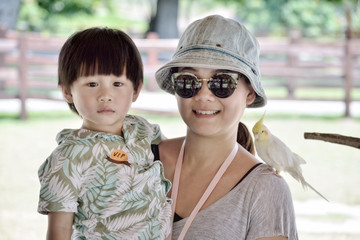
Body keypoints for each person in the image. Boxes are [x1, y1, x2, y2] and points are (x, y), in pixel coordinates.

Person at [154, 15, 298, 240]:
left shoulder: (264, 190)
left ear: (249, 93)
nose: (203, 95)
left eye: (222, 82)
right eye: (188, 80)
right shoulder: (141, 159)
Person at [37, 27, 172, 239]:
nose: (106, 95)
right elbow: (60, 230)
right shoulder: (67, 157)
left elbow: (179, 155)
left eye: (117, 83)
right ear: (67, 91)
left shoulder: (143, 130)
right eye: (92, 84)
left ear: (135, 90)